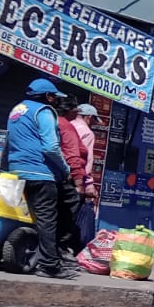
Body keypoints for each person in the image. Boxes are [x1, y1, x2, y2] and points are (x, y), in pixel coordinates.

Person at [2, 79, 76, 277]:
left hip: (17, 170)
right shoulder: (44, 111)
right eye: (53, 97)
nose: (54, 100)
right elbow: (51, 147)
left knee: (27, 217)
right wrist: (66, 168)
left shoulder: (17, 110)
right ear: (47, 96)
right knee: (47, 221)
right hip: (40, 173)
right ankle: (49, 266)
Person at [55, 107, 89, 253]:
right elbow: (72, 155)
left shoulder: (54, 122)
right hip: (63, 175)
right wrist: (80, 182)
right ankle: (59, 248)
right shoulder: (67, 126)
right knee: (68, 210)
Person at [69, 103, 99, 247]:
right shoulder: (87, 133)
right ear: (88, 117)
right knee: (74, 215)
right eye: (93, 119)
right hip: (77, 179)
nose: (93, 123)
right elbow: (86, 161)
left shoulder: (67, 125)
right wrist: (89, 184)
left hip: (60, 175)